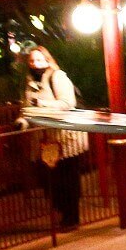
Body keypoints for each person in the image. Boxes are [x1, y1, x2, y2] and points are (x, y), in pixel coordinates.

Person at [17, 46, 84, 230]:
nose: (35, 64)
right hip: (44, 141)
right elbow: (26, 108)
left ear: (47, 60)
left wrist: (42, 104)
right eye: (32, 61)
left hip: (64, 138)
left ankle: (71, 217)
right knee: (49, 181)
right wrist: (22, 121)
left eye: (39, 60)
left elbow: (67, 103)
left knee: (67, 179)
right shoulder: (29, 83)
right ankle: (63, 213)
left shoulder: (57, 77)